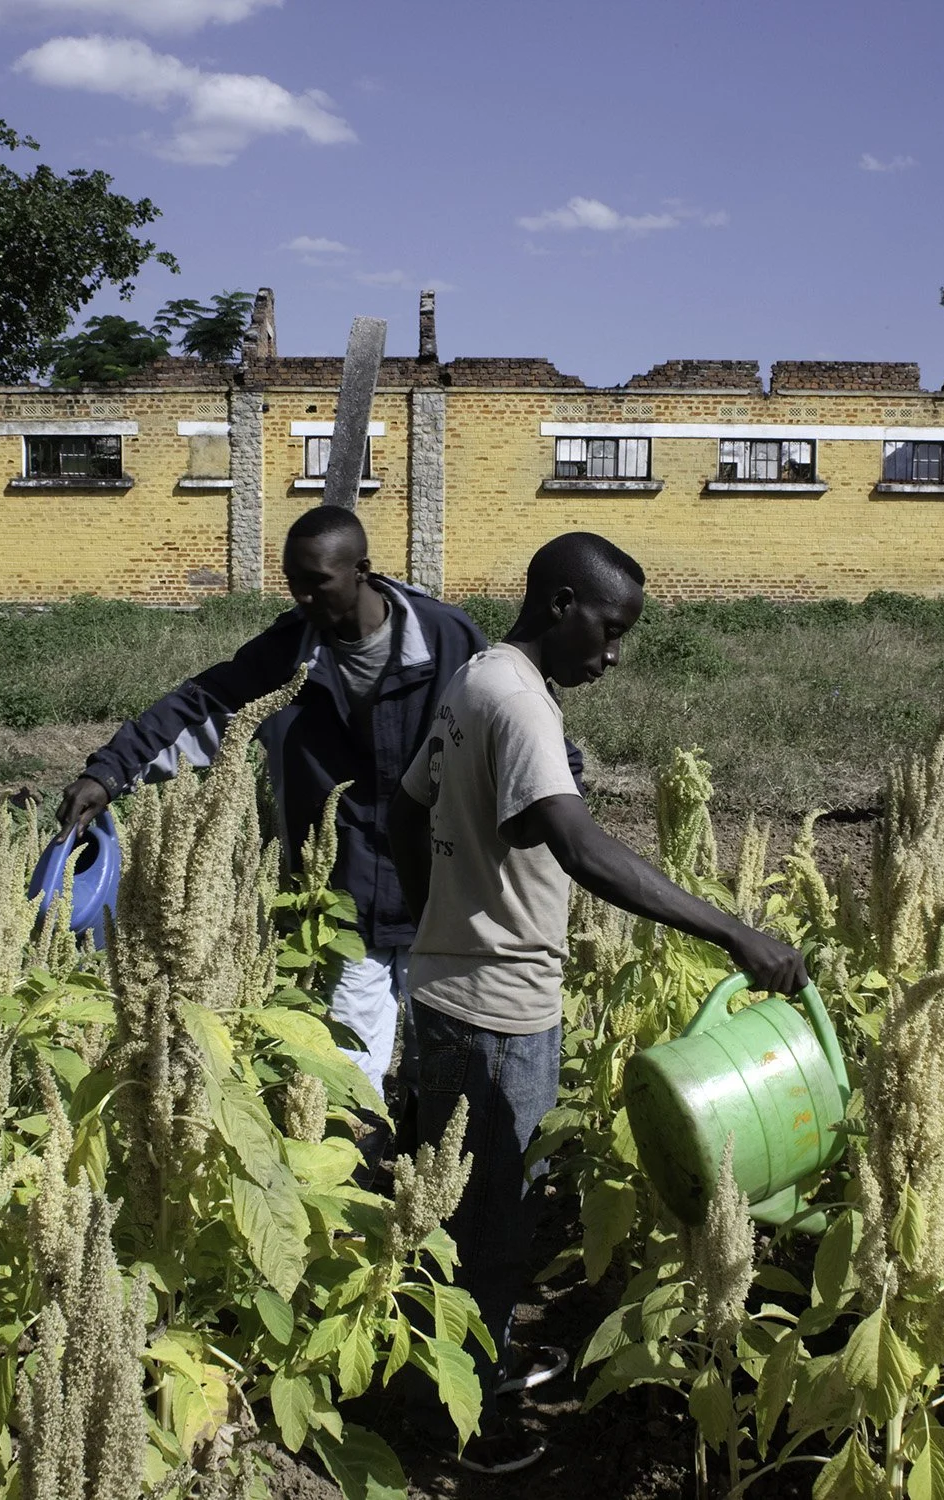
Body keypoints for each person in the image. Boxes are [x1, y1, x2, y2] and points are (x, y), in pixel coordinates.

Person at [388, 532, 806, 1474]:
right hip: (498, 1009)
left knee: (462, 1206)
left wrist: (438, 917)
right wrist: (733, 930)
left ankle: (460, 1370)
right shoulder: (521, 700)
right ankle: (458, 1420)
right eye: (611, 630)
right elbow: (579, 844)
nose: (614, 655)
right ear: (563, 600)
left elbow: (405, 805)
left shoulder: (476, 678)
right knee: (491, 1224)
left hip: (454, 987)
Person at [57, 505, 575, 1099]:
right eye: (293, 582)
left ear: (361, 571)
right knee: (349, 1069)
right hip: (343, 894)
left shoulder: (444, 637)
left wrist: (561, 794)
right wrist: (107, 774)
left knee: (450, 1059)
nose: (302, 597)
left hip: (444, 888)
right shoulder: (285, 655)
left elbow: (516, 714)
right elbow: (199, 709)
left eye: (317, 581)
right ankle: (360, 1169)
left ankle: (424, 1166)